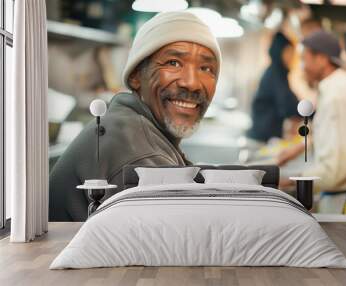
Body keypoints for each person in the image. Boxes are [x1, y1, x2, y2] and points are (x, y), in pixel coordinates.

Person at [49, 11, 221, 221]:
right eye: (173, 63)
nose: (192, 83)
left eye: (206, 68)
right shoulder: (135, 153)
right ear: (136, 76)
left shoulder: (141, 131)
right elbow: (180, 241)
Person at [278, 30, 346, 213]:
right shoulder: (343, 84)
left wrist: (289, 181)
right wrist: (301, 147)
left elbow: (337, 168)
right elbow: (340, 138)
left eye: (304, 59)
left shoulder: (337, 94)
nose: (302, 67)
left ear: (322, 59)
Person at [246, 32, 299, 143]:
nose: (292, 57)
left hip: (263, 135)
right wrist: (310, 112)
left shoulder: (275, 72)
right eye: (289, 52)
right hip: (263, 138)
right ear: (280, 51)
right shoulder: (276, 73)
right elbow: (287, 105)